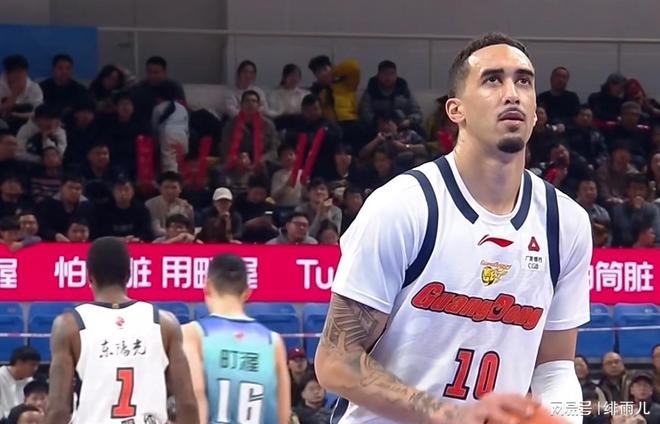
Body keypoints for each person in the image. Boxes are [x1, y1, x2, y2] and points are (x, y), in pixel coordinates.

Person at [315, 33, 591, 424]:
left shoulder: (566, 222)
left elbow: (554, 368)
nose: (512, 93)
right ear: (455, 110)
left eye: (524, 81)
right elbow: (335, 361)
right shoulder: (404, 205)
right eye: (492, 80)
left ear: (535, 111)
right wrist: (450, 416)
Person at [44, 237, 199, 424]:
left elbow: (58, 409)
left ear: (90, 276)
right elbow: (187, 404)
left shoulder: (69, 325)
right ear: (128, 276)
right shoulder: (165, 323)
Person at [182, 253, 291, 424]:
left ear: (207, 287)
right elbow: (283, 416)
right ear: (247, 293)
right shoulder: (273, 341)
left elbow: (195, 399)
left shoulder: (193, 333)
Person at [0, 347, 40, 419]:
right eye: (32, 365)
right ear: (19, 363)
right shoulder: (1, 377)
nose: (35, 369)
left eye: (37, 365)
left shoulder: (30, 382)